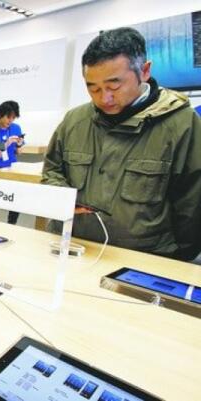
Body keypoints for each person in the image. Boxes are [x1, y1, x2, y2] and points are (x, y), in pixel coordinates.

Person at [42, 27, 201, 261]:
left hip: (142, 261)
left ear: (144, 71)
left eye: (114, 86)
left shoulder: (182, 124)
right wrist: (61, 195)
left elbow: (191, 204)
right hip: (72, 249)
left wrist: (177, 260)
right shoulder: (75, 120)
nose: (103, 98)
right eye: (93, 87)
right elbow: (52, 169)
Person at [0, 100, 24, 224]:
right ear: (0, 115)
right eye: (8, 117)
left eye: (13, 117)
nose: (10, 120)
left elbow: (18, 151)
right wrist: (7, 143)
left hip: (12, 170)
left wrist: (19, 145)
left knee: (16, 200)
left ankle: (11, 224)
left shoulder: (16, 128)